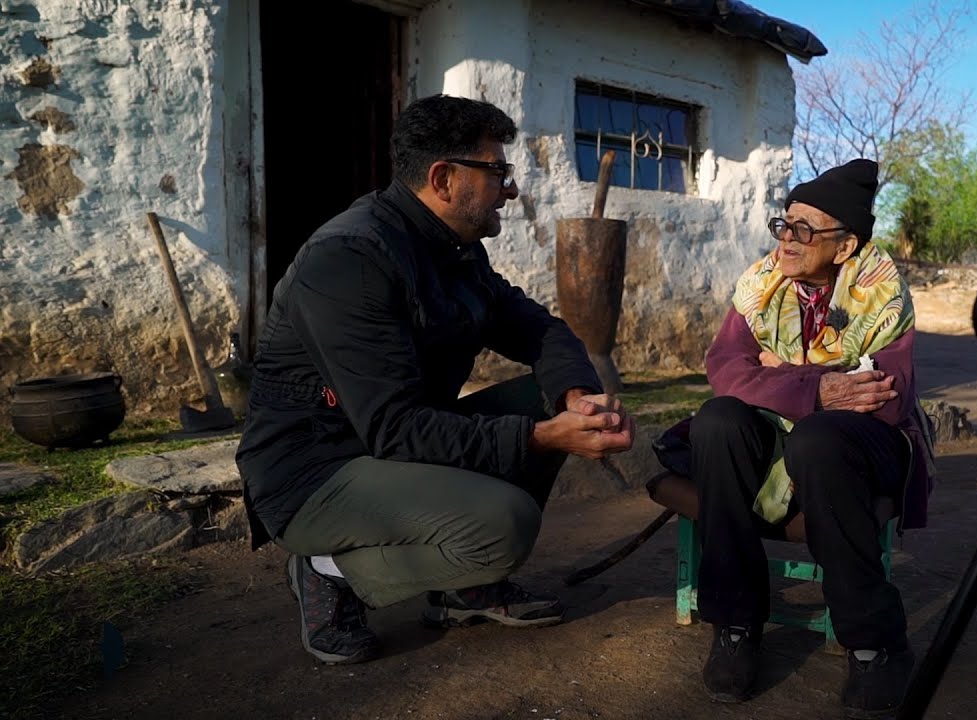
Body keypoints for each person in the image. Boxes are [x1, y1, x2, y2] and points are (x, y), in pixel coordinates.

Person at [235, 94, 634, 666]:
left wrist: (576, 397)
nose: (511, 188)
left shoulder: (452, 248)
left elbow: (536, 327)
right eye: (497, 172)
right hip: (317, 469)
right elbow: (395, 428)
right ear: (443, 178)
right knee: (505, 526)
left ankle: (463, 588)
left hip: (390, 445)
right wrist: (544, 437)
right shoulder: (351, 259)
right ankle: (327, 567)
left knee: (542, 399)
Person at [686, 158, 935, 718]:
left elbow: (884, 399)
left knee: (819, 440)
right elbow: (726, 370)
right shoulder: (761, 287)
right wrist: (818, 386)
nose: (786, 242)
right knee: (718, 421)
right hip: (784, 430)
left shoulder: (881, 293)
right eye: (784, 225)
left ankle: (875, 643)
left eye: (804, 230)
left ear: (844, 247)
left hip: (868, 443)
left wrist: (778, 376)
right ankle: (734, 623)